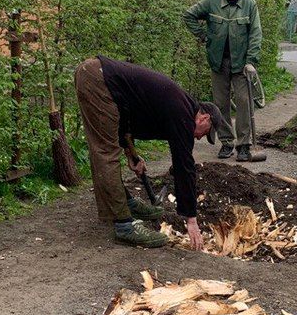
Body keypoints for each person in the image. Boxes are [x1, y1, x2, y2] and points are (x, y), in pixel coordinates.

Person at [74, 56, 225, 250]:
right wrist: (191, 219)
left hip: (99, 79)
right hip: (98, 79)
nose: (199, 138)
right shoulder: (183, 113)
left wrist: (131, 154)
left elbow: (126, 116)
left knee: (106, 151)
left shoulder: (179, 106)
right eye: (206, 133)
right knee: (105, 152)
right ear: (205, 117)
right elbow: (184, 165)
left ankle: (125, 203)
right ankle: (124, 226)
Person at [183, 0, 264, 162]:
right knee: (221, 104)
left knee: (244, 102)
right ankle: (227, 142)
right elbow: (189, 15)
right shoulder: (211, 3)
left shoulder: (249, 5)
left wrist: (251, 61)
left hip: (242, 64)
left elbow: (255, 33)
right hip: (218, 62)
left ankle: (243, 145)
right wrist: (204, 36)